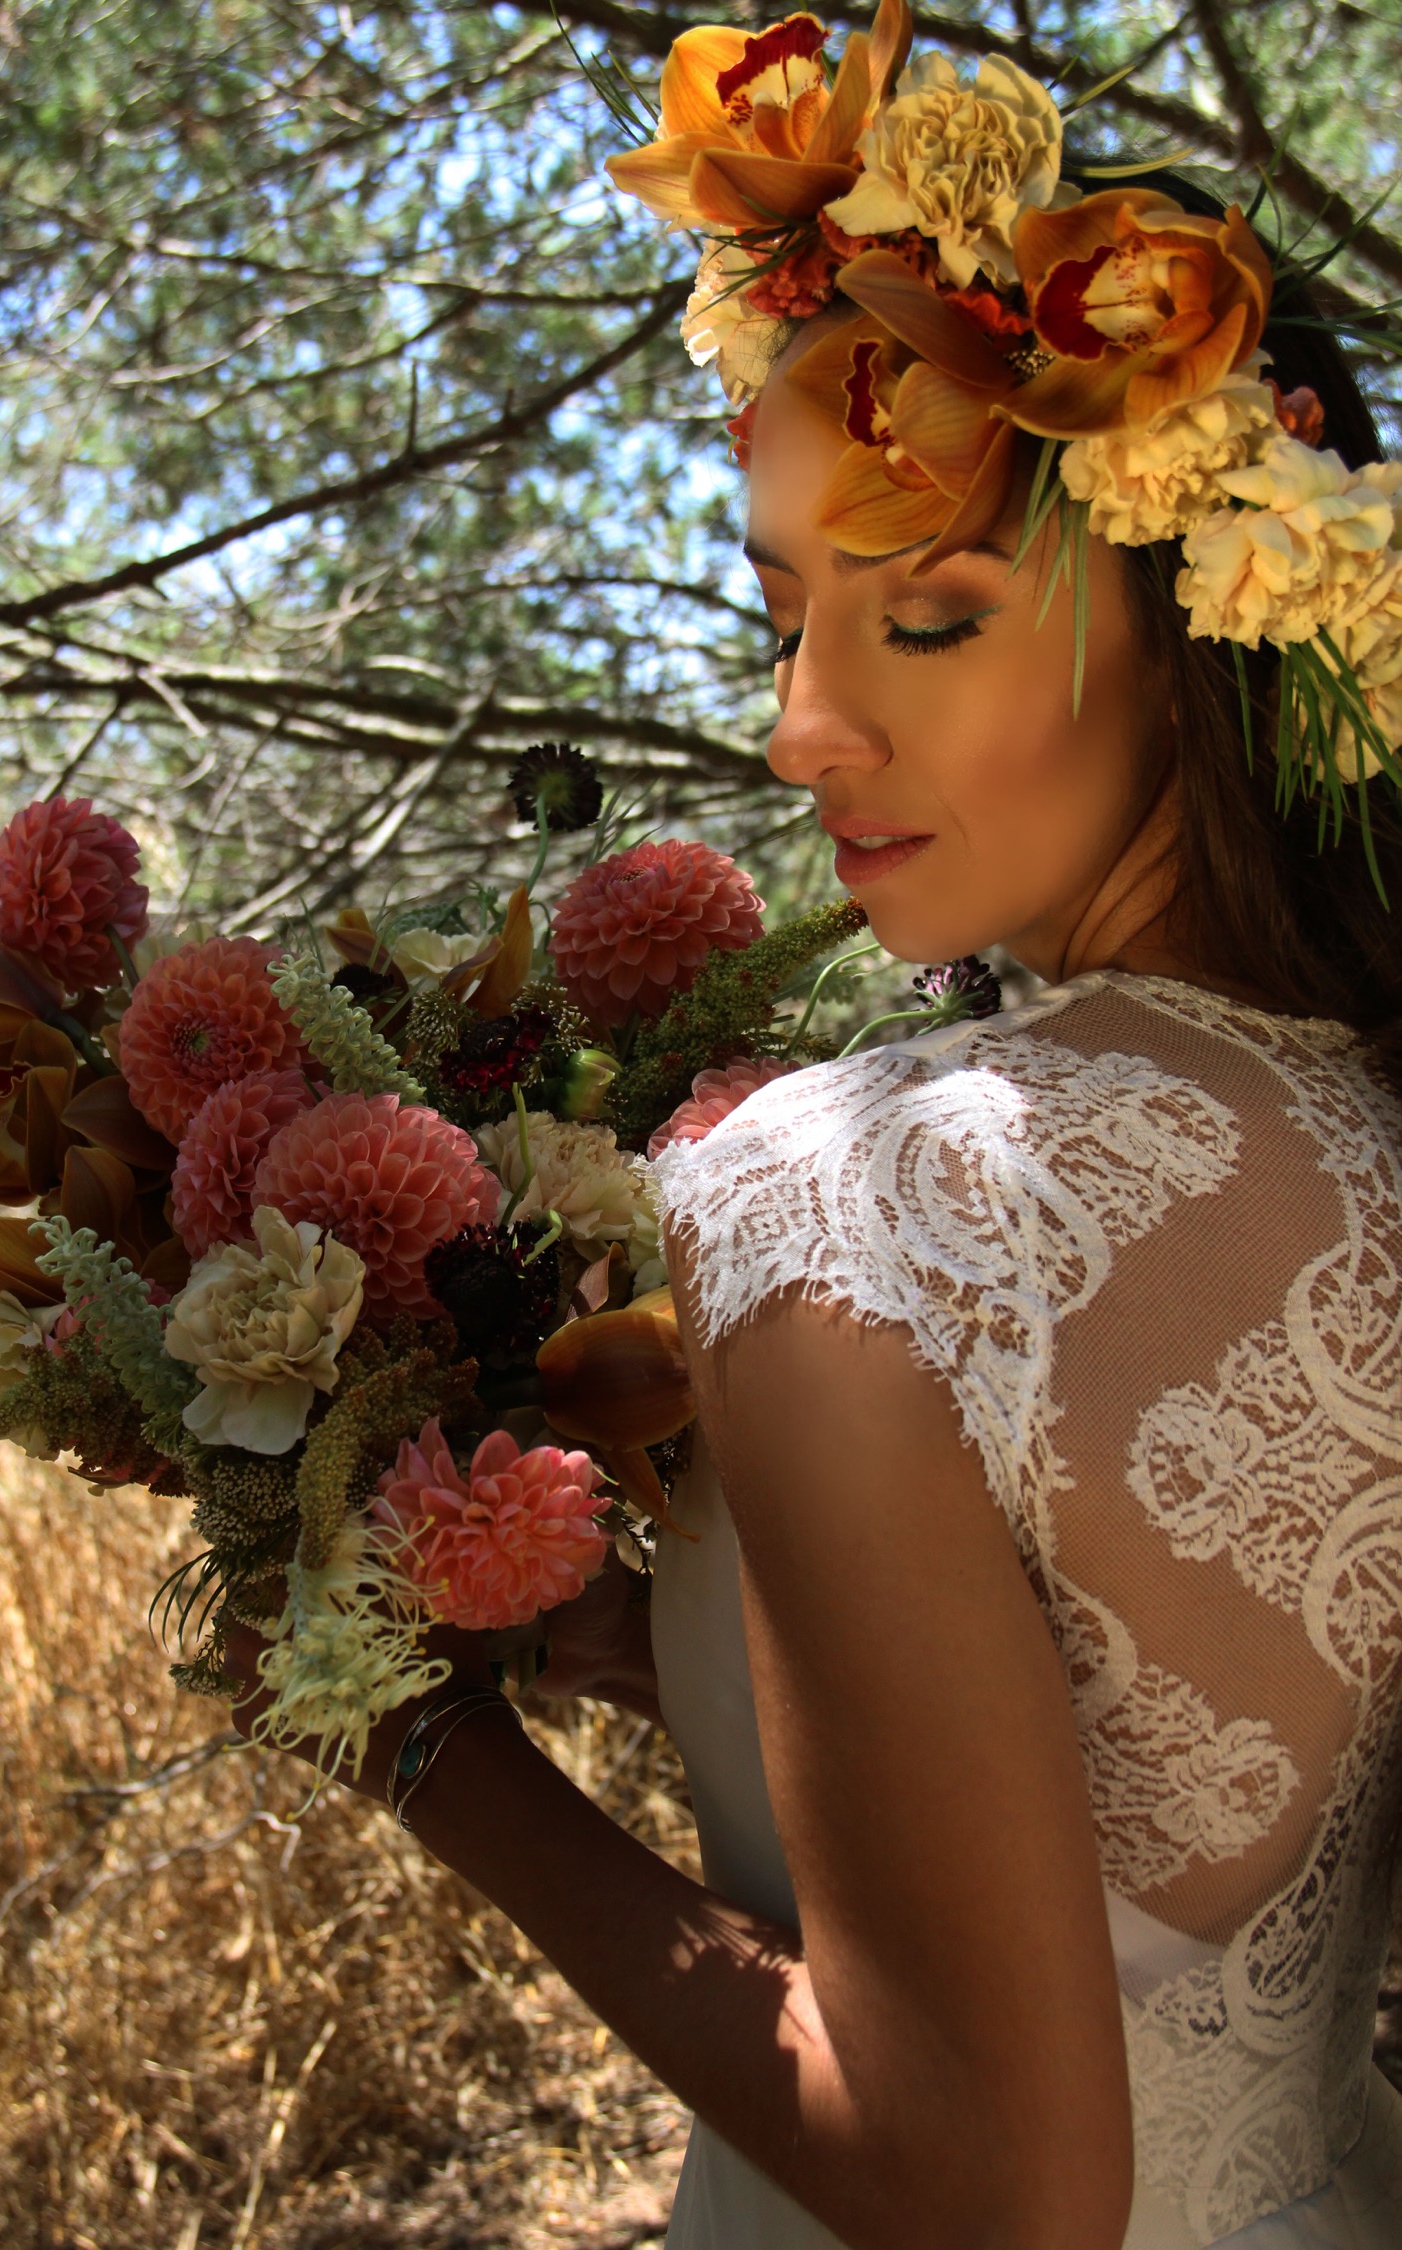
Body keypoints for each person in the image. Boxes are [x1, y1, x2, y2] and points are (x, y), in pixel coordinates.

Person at [227, 9, 1402, 2244]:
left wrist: (424, 1756)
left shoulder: (856, 1201)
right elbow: (1159, 1799)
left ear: (1211, 614)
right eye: (784, 618)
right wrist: (684, 1663)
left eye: (929, 615)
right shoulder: (1370, 1125)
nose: (800, 730)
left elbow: (987, 2188)